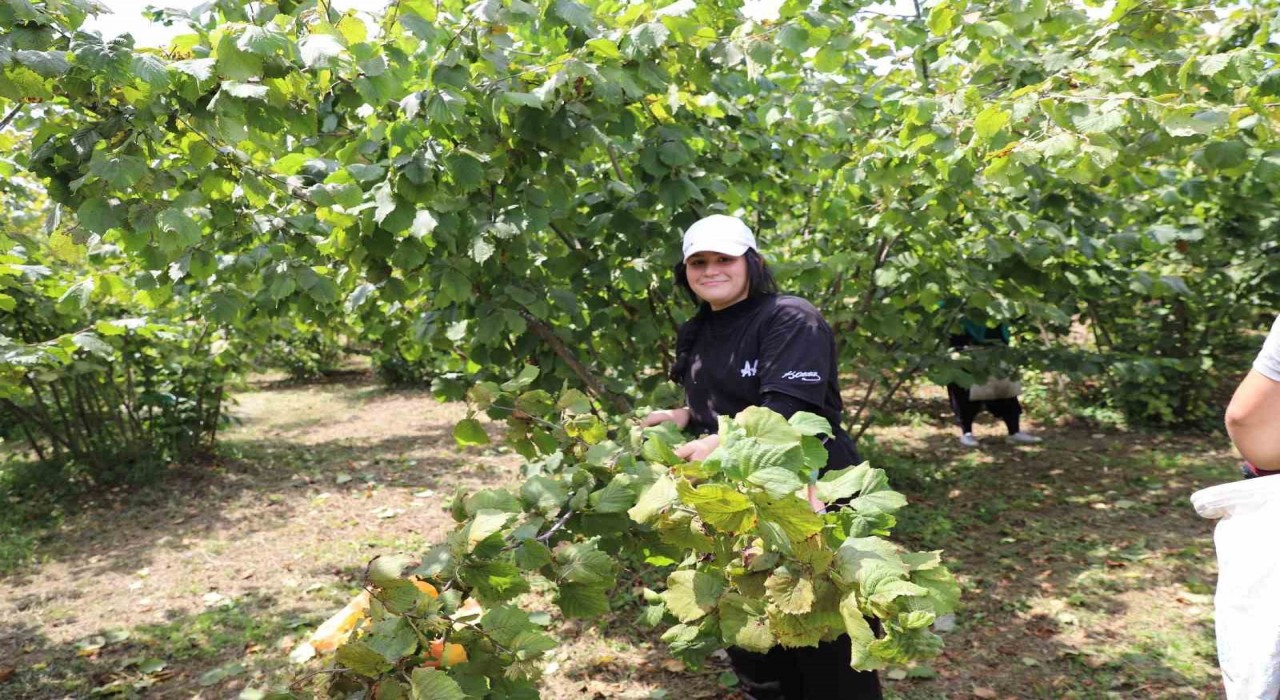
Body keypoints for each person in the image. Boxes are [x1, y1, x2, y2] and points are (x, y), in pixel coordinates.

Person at [641, 214, 881, 700]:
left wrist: (720, 443)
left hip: (809, 490)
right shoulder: (699, 329)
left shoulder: (789, 318)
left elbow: (788, 408)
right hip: (732, 498)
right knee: (751, 623)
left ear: (751, 261)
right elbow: (723, 398)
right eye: (698, 262)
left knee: (821, 625)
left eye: (723, 259)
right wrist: (684, 416)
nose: (711, 270)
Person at [945, 317, 1040, 448]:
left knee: (1004, 388)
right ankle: (967, 432)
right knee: (965, 390)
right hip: (964, 345)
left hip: (995, 343)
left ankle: (1014, 432)